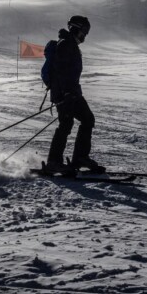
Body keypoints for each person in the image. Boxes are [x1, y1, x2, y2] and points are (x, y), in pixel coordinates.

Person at [44, 15, 104, 174]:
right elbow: (61, 71)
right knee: (66, 123)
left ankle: (80, 158)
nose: (85, 36)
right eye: (84, 32)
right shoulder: (65, 45)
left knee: (87, 119)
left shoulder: (70, 45)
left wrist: (72, 91)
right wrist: (66, 92)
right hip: (65, 93)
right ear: (76, 29)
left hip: (72, 93)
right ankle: (54, 162)